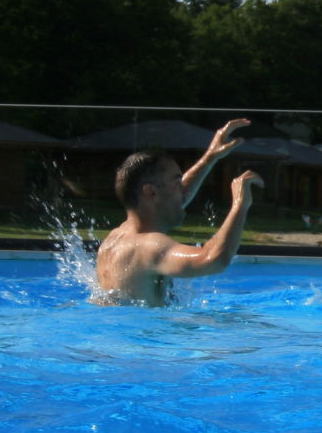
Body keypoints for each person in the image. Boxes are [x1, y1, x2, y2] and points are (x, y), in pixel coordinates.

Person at [93, 119, 263, 305]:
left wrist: (209, 158)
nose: (184, 191)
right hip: (147, 332)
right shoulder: (149, 246)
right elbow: (214, 259)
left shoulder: (116, 239)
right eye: (176, 183)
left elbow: (171, 198)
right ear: (150, 192)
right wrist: (240, 204)